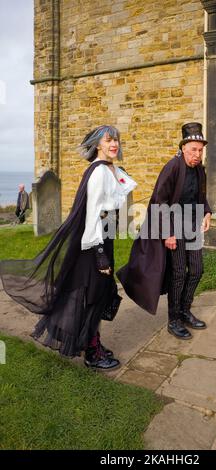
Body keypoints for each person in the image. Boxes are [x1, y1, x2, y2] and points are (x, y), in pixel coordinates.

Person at [0, 125, 137, 370]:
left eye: (116, 140)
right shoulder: (98, 172)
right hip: (95, 243)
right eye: (108, 140)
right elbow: (93, 214)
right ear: (98, 144)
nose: (114, 144)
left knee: (98, 295)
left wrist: (114, 168)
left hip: (103, 238)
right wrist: (100, 256)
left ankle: (93, 343)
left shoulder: (107, 169)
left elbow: (118, 194)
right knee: (94, 297)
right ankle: (92, 354)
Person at [117, 122, 212, 340]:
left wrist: (207, 213)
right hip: (173, 226)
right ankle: (174, 320)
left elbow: (201, 196)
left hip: (192, 225)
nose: (197, 154)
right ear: (184, 148)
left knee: (197, 270)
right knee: (178, 273)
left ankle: (185, 310)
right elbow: (159, 201)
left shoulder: (199, 170)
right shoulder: (173, 167)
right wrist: (167, 233)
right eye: (194, 150)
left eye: (200, 150)